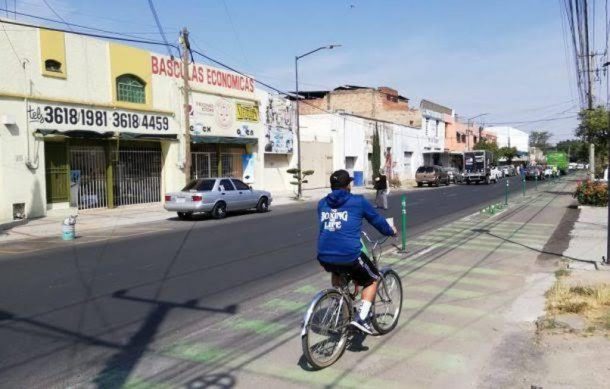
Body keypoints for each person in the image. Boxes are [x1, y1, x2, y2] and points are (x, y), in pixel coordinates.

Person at [317, 169, 397, 334]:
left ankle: (340, 300)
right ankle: (361, 318)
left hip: (324, 254)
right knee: (372, 278)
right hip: (349, 254)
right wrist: (390, 231)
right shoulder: (358, 201)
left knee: (338, 269)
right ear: (347, 186)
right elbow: (376, 220)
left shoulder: (321, 204)